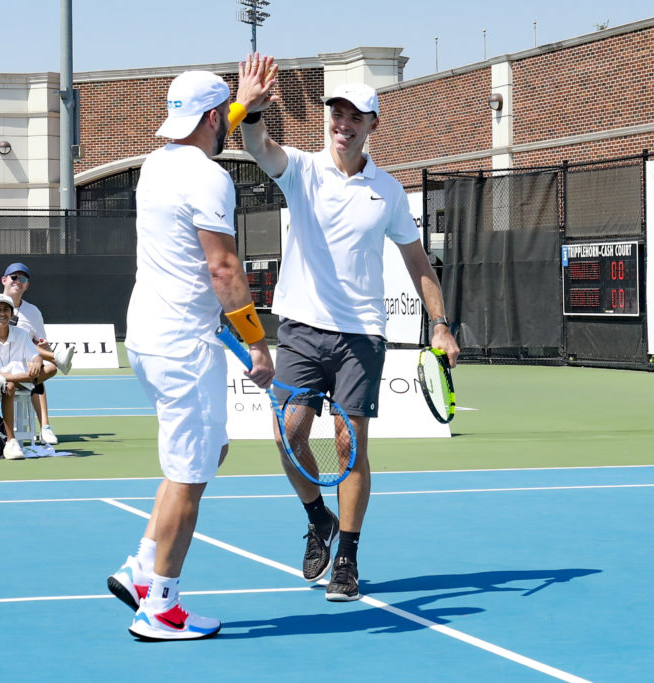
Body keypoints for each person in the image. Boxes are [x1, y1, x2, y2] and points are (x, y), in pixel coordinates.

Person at [236, 55, 460, 601]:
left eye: (354, 116)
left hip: (361, 336)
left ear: (371, 125)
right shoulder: (303, 170)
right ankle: (318, 518)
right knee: (289, 435)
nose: (343, 124)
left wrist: (440, 324)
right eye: (336, 114)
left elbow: (417, 262)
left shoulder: (389, 192)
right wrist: (251, 110)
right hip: (302, 329)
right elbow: (258, 148)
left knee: (349, 444)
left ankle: (349, 559)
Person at [106, 70, 274, 641]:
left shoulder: (157, 164)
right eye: (224, 113)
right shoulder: (209, 179)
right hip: (185, 346)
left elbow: (206, 131)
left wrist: (240, 105)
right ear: (210, 119)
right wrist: (256, 343)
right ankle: (162, 607)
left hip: (148, 339)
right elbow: (223, 270)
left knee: (205, 450)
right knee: (190, 475)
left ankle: (140, 566)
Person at [0, 263, 73, 446]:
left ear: (27, 285)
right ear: (4, 280)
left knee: (43, 368)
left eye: (23, 279)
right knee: (36, 373)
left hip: (21, 363)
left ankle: (45, 427)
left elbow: (37, 342)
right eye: (14, 277)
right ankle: (56, 359)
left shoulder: (33, 312)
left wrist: (40, 350)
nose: (17, 281)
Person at [0, 294, 56, 460]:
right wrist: (8, 377)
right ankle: (11, 442)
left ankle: (16, 380)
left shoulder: (22, 334)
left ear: (12, 314)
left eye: (6, 310)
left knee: (52, 367)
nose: (2, 313)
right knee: (9, 386)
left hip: (17, 377)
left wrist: (37, 362)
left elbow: (35, 356)